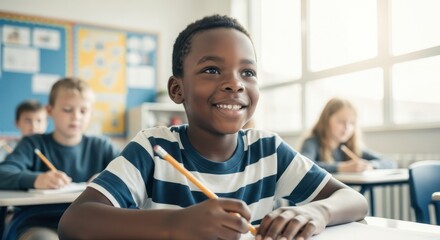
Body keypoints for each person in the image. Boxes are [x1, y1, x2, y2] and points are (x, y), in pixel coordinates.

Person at [58, 15, 368, 240]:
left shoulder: (269, 150)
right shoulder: (154, 149)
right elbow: (74, 222)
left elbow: (354, 200)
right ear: (177, 89)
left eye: (247, 72)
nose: (235, 83)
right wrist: (175, 226)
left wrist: (317, 212)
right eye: (211, 69)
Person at [0, 77, 120, 240]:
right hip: (41, 223)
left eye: (83, 111)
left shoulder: (101, 145)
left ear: (90, 113)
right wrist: (36, 180)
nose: (76, 117)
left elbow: (131, 173)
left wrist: (106, 178)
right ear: (49, 110)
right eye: (67, 109)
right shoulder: (33, 143)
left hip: (91, 225)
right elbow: (3, 173)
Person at [299, 97, 396, 173]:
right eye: (341, 121)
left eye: (352, 123)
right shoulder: (312, 141)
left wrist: (370, 166)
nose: (347, 127)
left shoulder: (349, 146)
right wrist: (343, 168)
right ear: (326, 120)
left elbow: (390, 162)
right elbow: (305, 166)